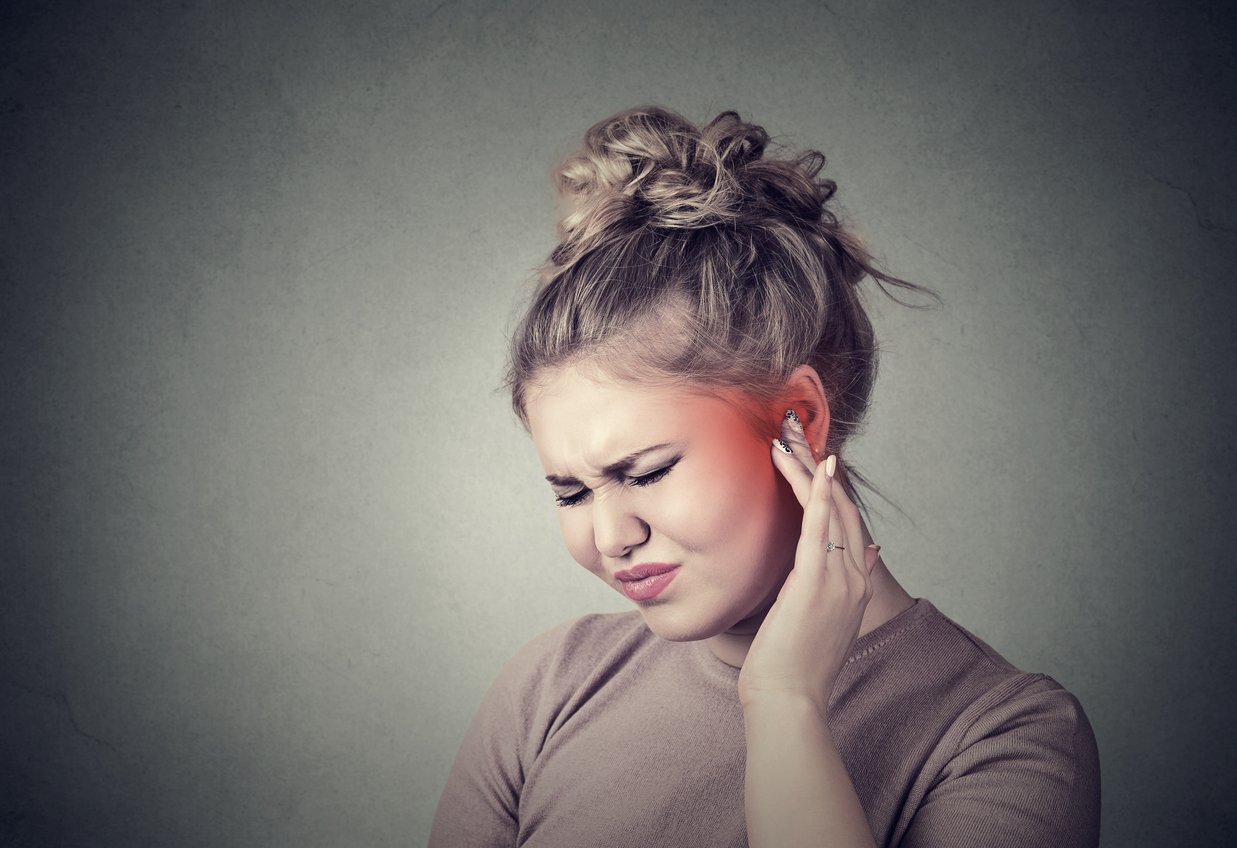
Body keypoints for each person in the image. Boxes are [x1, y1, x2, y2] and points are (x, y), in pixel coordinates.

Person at [428, 106, 1101, 848]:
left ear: (798, 421)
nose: (610, 535)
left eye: (647, 473)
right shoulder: (550, 686)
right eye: (571, 492)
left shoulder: (1002, 738)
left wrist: (784, 707)